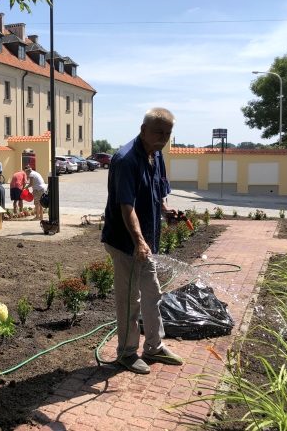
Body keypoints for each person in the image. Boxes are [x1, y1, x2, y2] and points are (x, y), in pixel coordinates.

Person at [101, 107, 183, 375]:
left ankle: (154, 347)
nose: (164, 137)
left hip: (144, 243)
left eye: (168, 133)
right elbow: (126, 207)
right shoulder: (126, 159)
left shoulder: (156, 154)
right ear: (143, 130)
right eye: (159, 132)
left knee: (152, 294)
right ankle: (126, 352)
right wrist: (138, 241)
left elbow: (159, 192)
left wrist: (166, 210)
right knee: (129, 299)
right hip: (125, 242)